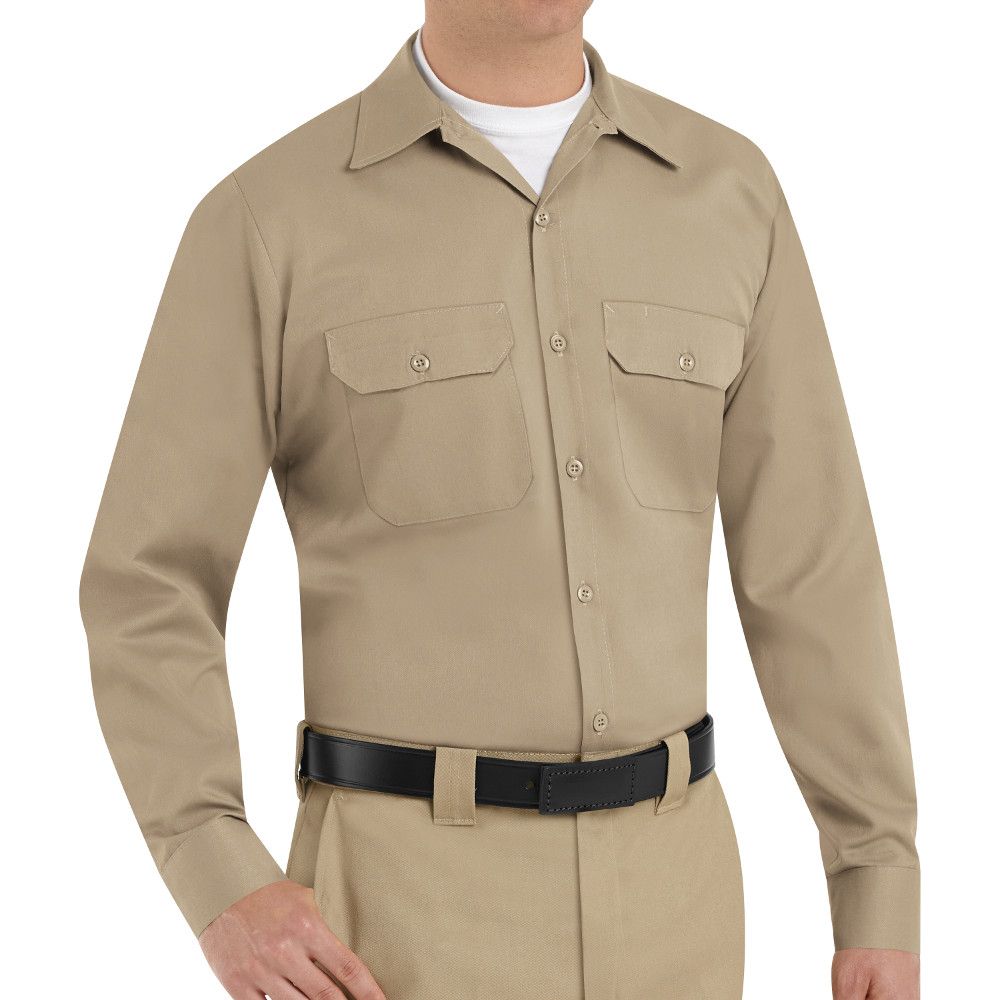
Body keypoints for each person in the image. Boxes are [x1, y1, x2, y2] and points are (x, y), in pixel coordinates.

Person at [79, 2, 920, 998]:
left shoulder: (731, 194)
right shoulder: (271, 219)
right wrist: (220, 879)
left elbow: (814, 567)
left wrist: (876, 881)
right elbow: (147, 582)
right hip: (395, 930)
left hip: (681, 918)